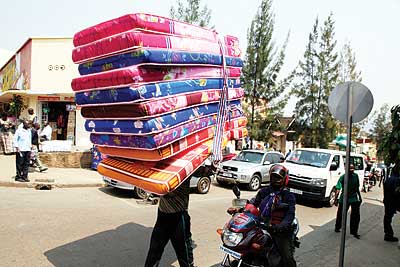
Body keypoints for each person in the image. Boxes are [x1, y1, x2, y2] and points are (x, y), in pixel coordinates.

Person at [250, 164, 297, 267]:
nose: (275, 179)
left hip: (279, 229)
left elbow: (290, 214)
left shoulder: (288, 196)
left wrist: (281, 226)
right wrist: (240, 210)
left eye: (278, 178)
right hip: (261, 225)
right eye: (273, 177)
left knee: (287, 257)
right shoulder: (264, 191)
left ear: (284, 179)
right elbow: (253, 204)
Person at [145, 179, 195, 267]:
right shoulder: (163, 169)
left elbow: (203, 171)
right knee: (154, 250)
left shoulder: (186, 167)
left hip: (179, 216)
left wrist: (209, 167)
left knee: (184, 253)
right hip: (163, 215)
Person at [334, 164, 362, 239]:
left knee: (355, 216)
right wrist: (336, 199)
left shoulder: (355, 176)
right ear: (346, 169)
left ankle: (354, 232)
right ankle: (338, 227)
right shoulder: (343, 177)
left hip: (354, 198)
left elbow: (357, 188)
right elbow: (338, 189)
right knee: (341, 214)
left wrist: (360, 197)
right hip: (344, 198)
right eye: (350, 168)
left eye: (353, 168)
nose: (351, 170)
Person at [383, 164, 400, 242]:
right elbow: (396, 192)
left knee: (387, 218)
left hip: (387, 200)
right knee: (388, 218)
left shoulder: (388, 179)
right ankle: (389, 235)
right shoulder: (397, 180)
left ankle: (387, 233)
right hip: (393, 201)